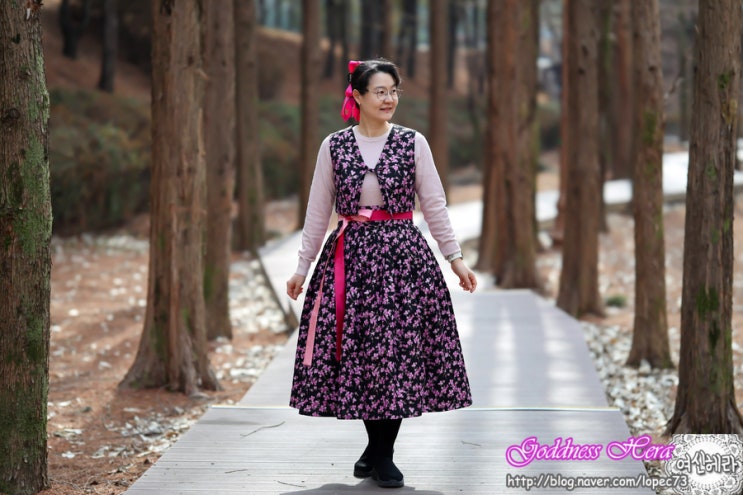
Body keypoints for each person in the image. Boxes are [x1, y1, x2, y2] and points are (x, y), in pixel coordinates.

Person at [286, 58, 476, 489]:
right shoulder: (334, 146)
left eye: (394, 91)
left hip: (403, 263)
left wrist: (455, 258)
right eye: (380, 91)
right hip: (349, 262)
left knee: (397, 357)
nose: (389, 99)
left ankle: (382, 454)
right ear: (357, 95)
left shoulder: (413, 143)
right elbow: (318, 210)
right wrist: (302, 267)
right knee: (363, 358)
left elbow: (434, 204)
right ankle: (376, 449)